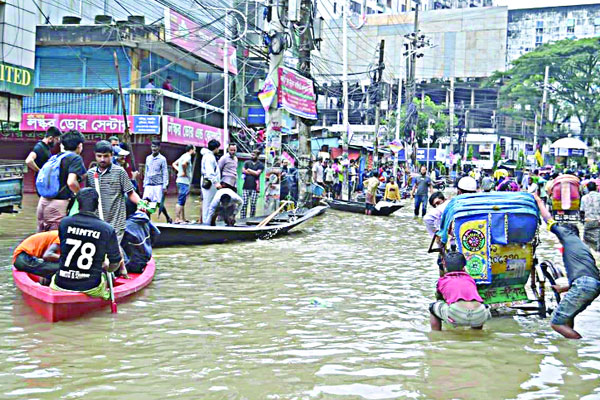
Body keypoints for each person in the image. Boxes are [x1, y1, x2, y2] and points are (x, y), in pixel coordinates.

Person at [534, 194, 600, 339]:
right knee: (568, 319)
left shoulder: (568, 235)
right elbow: (588, 277)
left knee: (556, 323)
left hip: (584, 285)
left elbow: (548, 220)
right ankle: (571, 355)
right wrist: (564, 288)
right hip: (592, 285)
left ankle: (578, 343)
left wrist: (539, 202)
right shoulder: (581, 247)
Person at [50, 188, 124, 300]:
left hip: (61, 284)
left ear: (78, 204)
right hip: (90, 287)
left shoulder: (64, 223)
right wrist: (107, 268)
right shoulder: (107, 229)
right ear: (97, 205)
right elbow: (115, 263)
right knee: (108, 276)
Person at [86, 140, 140, 244]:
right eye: (99, 156)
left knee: (114, 253)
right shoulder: (90, 174)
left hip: (116, 222)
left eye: (106, 156)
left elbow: (131, 193)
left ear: (111, 155)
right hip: (97, 222)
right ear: (95, 156)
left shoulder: (120, 172)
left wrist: (142, 204)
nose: (102, 159)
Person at [36, 130, 86, 232]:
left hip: (42, 202)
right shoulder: (75, 158)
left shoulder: (55, 157)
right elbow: (71, 182)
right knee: (55, 240)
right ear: (80, 145)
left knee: (41, 239)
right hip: (58, 205)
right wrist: (80, 195)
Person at [429, 252, 492, 331]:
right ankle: (476, 332)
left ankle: (436, 335)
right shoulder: (470, 279)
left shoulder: (442, 281)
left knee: (432, 307)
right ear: (464, 267)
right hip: (480, 313)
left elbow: (439, 299)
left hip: (457, 312)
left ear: (445, 266)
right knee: (479, 310)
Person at [121, 200, 160, 274]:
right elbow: (156, 233)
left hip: (132, 264)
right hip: (145, 258)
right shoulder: (144, 217)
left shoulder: (125, 226)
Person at [143, 140, 171, 223]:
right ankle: (149, 221)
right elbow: (146, 171)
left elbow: (165, 173)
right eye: (152, 146)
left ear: (159, 148)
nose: (154, 148)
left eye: (156, 147)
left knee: (158, 203)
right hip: (148, 184)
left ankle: (168, 218)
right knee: (146, 202)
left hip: (158, 184)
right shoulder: (148, 158)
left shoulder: (162, 159)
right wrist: (145, 183)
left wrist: (165, 186)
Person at [172, 145, 196, 223]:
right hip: (184, 181)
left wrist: (180, 171)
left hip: (180, 180)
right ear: (191, 149)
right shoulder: (188, 156)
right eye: (194, 149)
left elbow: (174, 164)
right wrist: (184, 173)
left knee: (183, 200)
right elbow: (184, 164)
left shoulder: (183, 156)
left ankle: (183, 218)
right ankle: (177, 218)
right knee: (181, 200)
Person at [201, 139, 222, 224]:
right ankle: (207, 222)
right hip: (210, 183)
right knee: (208, 203)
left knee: (209, 202)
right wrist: (216, 182)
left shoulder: (209, 156)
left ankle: (208, 221)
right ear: (216, 148)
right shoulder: (209, 157)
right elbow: (210, 172)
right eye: (218, 148)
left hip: (209, 183)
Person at [241, 149, 263, 219]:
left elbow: (257, 173)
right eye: (252, 154)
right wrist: (253, 172)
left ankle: (252, 218)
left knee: (253, 204)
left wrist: (249, 170)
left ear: (257, 156)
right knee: (244, 203)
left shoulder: (260, 164)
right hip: (246, 186)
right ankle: (243, 218)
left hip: (255, 187)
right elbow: (243, 171)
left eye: (254, 155)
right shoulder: (247, 162)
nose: (252, 156)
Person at [581, 181, 600, 251]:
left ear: (588, 189)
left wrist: (583, 222)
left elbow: (582, 211)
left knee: (587, 243)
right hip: (598, 221)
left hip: (588, 221)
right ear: (596, 188)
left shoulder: (584, 198)